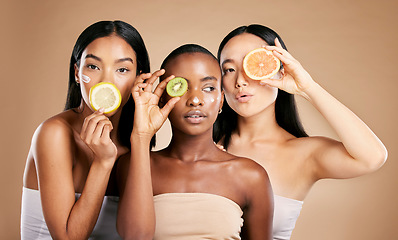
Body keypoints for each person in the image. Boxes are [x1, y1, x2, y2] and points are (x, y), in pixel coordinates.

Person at [213, 24, 388, 240]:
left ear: (280, 69)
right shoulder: (205, 148)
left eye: (254, 65)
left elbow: (372, 157)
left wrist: (308, 88)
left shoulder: (303, 154)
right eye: (229, 70)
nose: (240, 81)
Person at [117, 44, 274, 240]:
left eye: (208, 88)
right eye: (180, 87)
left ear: (221, 101)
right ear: (162, 98)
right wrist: (141, 138)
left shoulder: (251, 176)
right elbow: (135, 237)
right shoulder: (132, 164)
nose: (195, 100)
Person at [21, 20, 151, 239]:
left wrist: (141, 139)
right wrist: (103, 162)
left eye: (122, 69)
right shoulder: (54, 134)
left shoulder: (135, 143)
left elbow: (141, 235)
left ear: (139, 78)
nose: (106, 81)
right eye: (93, 66)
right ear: (76, 72)